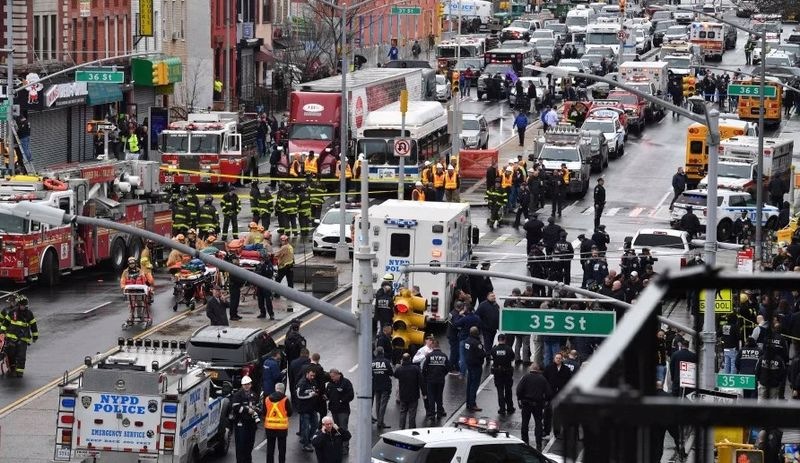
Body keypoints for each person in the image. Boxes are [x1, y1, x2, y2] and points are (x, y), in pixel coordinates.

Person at [0, 294, 38, 377]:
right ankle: (12, 368)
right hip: (11, 338)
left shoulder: (29, 314)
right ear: (19, 304)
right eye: (22, 305)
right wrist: (2, 331)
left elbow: (33, 325)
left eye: (25, 305)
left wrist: (35, 336)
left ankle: (20, 371)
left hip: (23, 339)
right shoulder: (12, 312)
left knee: (21, 356)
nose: (23, 307)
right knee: (11, 354)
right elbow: (5, 322)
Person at [516, 363, 552, 449]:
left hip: (526, 403)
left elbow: (519, 390)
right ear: (538, 369)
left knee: (525, 423)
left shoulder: (525, 377)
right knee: (538, 423)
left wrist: (520, 399)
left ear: (530, 369)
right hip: (538, 404)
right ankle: (538, 443)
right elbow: (548, 393)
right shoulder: (542, 379)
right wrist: (546, 401)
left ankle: (525, 442)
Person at [543, 353, 573, 439]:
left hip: (560, 394)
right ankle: (546, 431)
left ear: (562, 359)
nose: (558, 359)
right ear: (554, 359)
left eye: (560, 358)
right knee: (547, 414)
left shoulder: (566, 369)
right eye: (557, 358)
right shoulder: (549, 368)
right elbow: (544, 380)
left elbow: (569, 382)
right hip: (550, 394)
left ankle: (557, 432)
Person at [325, 368, 354, 455]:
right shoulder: (330, 384)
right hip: (334, 410)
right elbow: (328, 394)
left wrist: (342, 400)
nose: (332, 378)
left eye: (333, 376)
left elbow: (351, 395)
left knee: (343, 429)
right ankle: (338, 447)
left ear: (338, 375)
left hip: (343, 411)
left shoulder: (346, 382)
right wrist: (326, 397)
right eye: (331, 377)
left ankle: (345, 448)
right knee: (336, 429)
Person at [231, 375, 259, 463]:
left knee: (250, 445)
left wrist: (256, 410)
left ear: (251, 384)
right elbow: (235, 407)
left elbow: (259, 407)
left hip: (251, 424)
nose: (246, 386)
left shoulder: (254, 395)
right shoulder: (237, 395)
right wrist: (247, 410)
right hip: (241, 424)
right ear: (242, 385)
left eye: (248, 384)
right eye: (245, 384)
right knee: (241, 446)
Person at [394, 353, 425, 429]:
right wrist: (424, 393)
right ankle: (411, 428)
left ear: (402, 360)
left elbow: (395, 375)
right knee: (412, 413)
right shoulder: (416, 369)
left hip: (403, 394)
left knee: (403, 412)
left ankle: (401, 428)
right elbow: (421, 381)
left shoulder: (400, 369)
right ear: (410, 359)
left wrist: (401, 365)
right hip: (414, 394)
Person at [263, 382, 292, 463]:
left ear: (275, 389)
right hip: (282, 429)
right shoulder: (285, 399)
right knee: (282, 450)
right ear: (283, 390)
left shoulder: (267, 399)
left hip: (269, 428)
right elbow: (290, 413)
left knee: (270, 450)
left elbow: (264, 412)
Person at [422, 339, 449, 420]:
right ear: (439, 345)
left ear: (433, 346)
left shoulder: (429, 356)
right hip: (440, 379)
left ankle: (432, 414)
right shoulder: (444, 356)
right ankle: (440, 413)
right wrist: (443, 374)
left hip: (431, 380)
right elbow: (448, 368)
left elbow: (424, 368)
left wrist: (426, 377)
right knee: (439, 396)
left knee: (431, 397)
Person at [490, 334, 516, 415]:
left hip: (497, 372)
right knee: (508, 390)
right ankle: (509, 407)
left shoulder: (494, 349)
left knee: (500, 391)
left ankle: (502, 408)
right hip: (507, 372)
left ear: (498, 340)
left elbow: (492, 357)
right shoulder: (508, 349)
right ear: (505, 340)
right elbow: (512, 358)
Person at [295, 368, 320, 452]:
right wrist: (310, 394)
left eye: (313, 375)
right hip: (304, 409)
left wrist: (316, 393)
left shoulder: (313, 381)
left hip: (312, 408)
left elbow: (315, 390)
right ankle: (306, 445)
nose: (312, 377)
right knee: (306, 427)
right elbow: (299, 395)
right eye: (311, 375)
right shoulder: (302, 383)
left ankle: (307, 439)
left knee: (315, 425)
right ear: (307, 374)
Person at [464, 326, 486, 412]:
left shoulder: (467, 341)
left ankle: (468, 402)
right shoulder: (476, 343)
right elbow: (481, 354)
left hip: (469, 364)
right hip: (476, 365)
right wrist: (486, 353)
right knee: (474, 385)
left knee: (469, 384)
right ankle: (472, 403)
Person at [372, 346, 394, 429]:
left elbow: (371, 374)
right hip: (385, 386)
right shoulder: (386, 362)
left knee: (377, 404)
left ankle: (379, 420)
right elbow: (391, 373)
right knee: (383, 405)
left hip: (376, 386)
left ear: (376, 352)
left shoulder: (373, 362)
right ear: (383, 352)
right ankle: (380, 422)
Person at [275, 235, 295, 311]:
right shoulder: (290, 247)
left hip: (284, 266)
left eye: (283, 240)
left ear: (286, 241)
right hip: (290, 266)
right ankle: (291, 294)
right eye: (281, 240)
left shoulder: (284, 247)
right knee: (290, 281)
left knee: (277, 280)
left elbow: (277, 254)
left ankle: (276, 294)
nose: (282, 242)